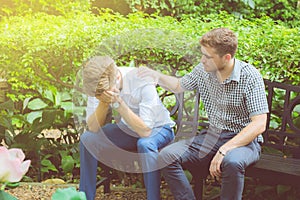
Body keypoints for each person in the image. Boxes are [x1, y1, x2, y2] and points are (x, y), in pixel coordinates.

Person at [138, 27, 269, 200]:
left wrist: (224, 150)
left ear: (227, 57)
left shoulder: (250, 76)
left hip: (243, 141)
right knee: (167, 156)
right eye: (202, 55)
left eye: (208, 57)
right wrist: (155, 75)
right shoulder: (203, 70)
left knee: (233, 162)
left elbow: (259, 123)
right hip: (212, 136)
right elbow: (179, 85)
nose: (202, 60)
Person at [79, 56, 175, 200]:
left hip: (159, 128)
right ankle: (85, 197)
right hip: (128, 129)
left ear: (117, 77)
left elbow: (145, 131)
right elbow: (92, 127)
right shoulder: (98, 85)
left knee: (145, 144)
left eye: (104, 91)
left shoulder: (141, 80)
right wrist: (103, 103)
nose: (101, 95)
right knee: (87, 139)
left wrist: (119, 104)